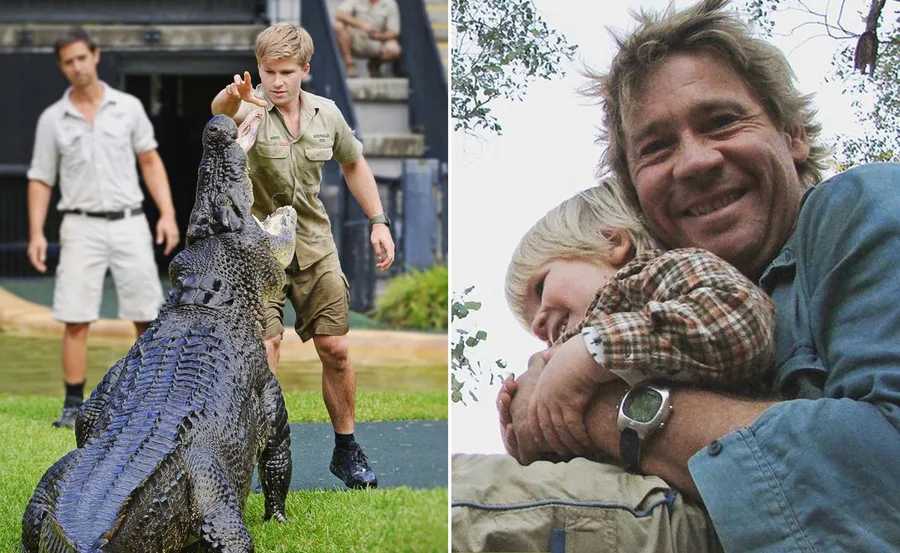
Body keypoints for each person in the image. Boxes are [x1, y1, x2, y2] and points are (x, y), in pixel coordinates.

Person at [456, 0, 900, 551]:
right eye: (656, 147)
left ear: (793, 135)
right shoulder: (683, 295)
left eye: (722, 122)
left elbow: (886, 468)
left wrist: (589, 404)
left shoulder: (862, 207)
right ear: (637, 189)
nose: (694, 162)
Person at [210, 22, 395, 490]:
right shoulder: (247, 110)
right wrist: (234, 100)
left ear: (304, 70)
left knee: (335, 349)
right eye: (267, 70)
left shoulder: (327, 114)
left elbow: (354, 164)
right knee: (266, 352)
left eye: (285, 71)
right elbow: (219, 113)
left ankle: (346, 450)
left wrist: (378, 221)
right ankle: (255, 455)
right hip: (256, 252)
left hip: (314, 247)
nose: (275, 81)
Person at [502, 183, 775, 464]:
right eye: (531, 321)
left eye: (540, 287)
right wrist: (533, 429)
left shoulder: (659, 273)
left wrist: (593, 350)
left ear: (612, 242)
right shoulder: (574, 367)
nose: (537, 326)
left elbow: (737, 321)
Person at [25, 27, 179, 430]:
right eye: (67, 61)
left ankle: (151, 394)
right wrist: (37, 233)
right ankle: (73, 404)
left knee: (147, 313)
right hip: (79, 225)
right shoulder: (52, 119)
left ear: (95, 55)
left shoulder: (127, 107)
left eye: (81, 57)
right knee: (75, 316)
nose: (76, 67)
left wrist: (166, 214)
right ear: (62, 66)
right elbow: (40, 178)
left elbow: (150, 160)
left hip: (129, 221)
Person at [333, 0, 402, 78]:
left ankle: (374, 65)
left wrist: (380, 36)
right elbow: (339, 14)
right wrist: (359, 24)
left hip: (376, 42)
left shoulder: (390, 3)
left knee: (394, 49)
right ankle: (349, 65)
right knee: (339, 26)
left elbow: (394, 31)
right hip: (355, 40)